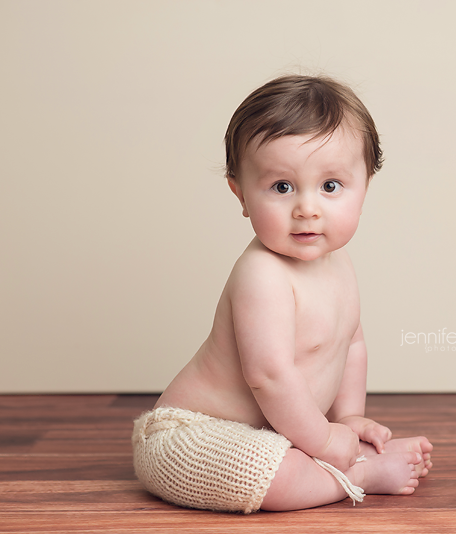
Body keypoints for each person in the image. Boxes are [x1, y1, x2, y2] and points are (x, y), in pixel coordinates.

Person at [132, 74, 433, 513]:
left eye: (330, 186)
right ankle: (357, 473)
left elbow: (351, 345)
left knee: (291, 451)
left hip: (275, 431)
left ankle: (331, 458)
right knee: (271, 472)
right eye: (281, 187)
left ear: (364, 187)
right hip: (189, 437)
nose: (307, 208)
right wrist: (327, 440)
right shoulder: (262, 275)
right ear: (241, 195)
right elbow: (270, 376)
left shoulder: (338, 266)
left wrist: (346, 420)